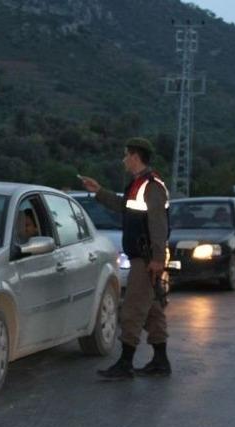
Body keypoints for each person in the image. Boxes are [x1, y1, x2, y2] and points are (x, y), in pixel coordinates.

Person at [79, 137, 171, 379]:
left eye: (125, 154)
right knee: (151, 308)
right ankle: (161, 361)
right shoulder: (138, 184)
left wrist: (158, 258)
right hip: (142, 257)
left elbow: (158, 223)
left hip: (146, 258)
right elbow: (122, 205)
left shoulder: (152, 186)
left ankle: (125, 363)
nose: (123, 160)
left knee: (132, 309)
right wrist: (98, 191)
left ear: (135, 156)